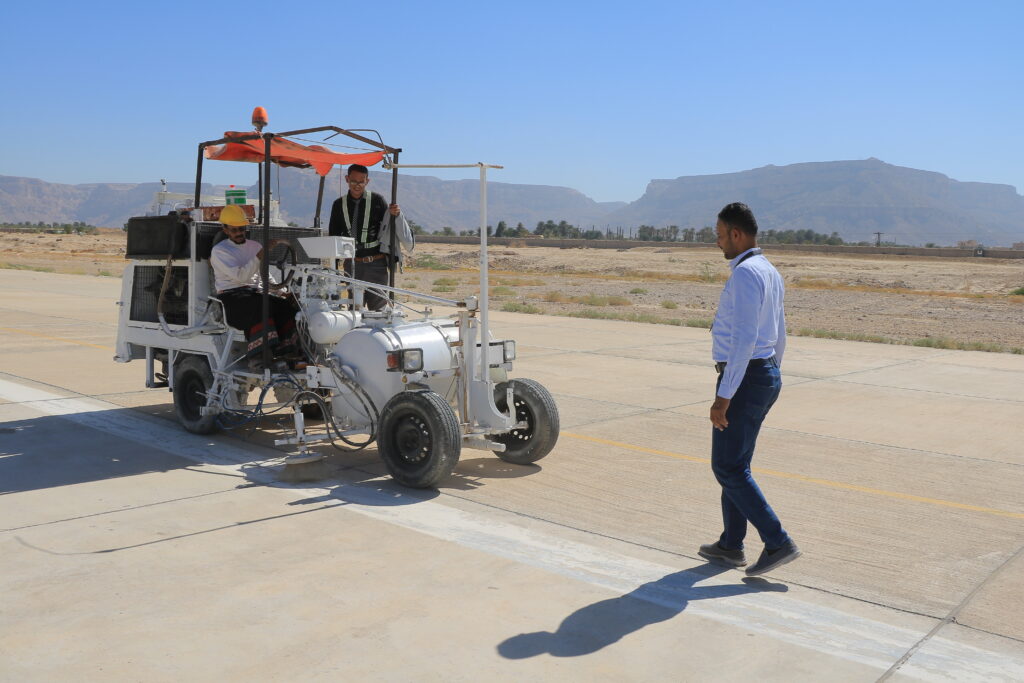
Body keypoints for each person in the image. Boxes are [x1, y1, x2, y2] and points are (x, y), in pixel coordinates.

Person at [698, 202, 800, 577]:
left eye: (721, 235)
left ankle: (777, 542)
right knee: (736, 465)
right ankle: (730, 545)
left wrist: (724, 396)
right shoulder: (769, 271)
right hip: (763, 374)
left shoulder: (744, 275)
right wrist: (772, 373)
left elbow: (744, 339)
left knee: (726, 465)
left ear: (737, 235)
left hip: (745, 377)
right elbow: (780, 331)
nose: (718, 242)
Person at [209, 204, 300, 362]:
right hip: (232, 298)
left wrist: (281, 291)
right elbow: (241, 277)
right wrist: (260, 254)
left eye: (242, 229)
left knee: (287, 306)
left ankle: (286, 349)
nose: (239, 233)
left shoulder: (255, 246)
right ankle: (259, 355)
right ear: (225, 230)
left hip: (254, 294)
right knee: (262, 304)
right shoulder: (219, 251)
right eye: (234, 230)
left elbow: (265, 276)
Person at [327, 163, 414, 311]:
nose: (357, 185)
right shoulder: (338, 205)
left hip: (376, 264)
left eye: (361, 181)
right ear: (347, 179)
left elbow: (388, 222)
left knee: (378, 310)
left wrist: (396, 213)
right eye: (354, 181)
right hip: (352, 265)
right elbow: (334, 236)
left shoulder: (377, 200)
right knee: (354, 309)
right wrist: (335, 270)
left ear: (367, 181)